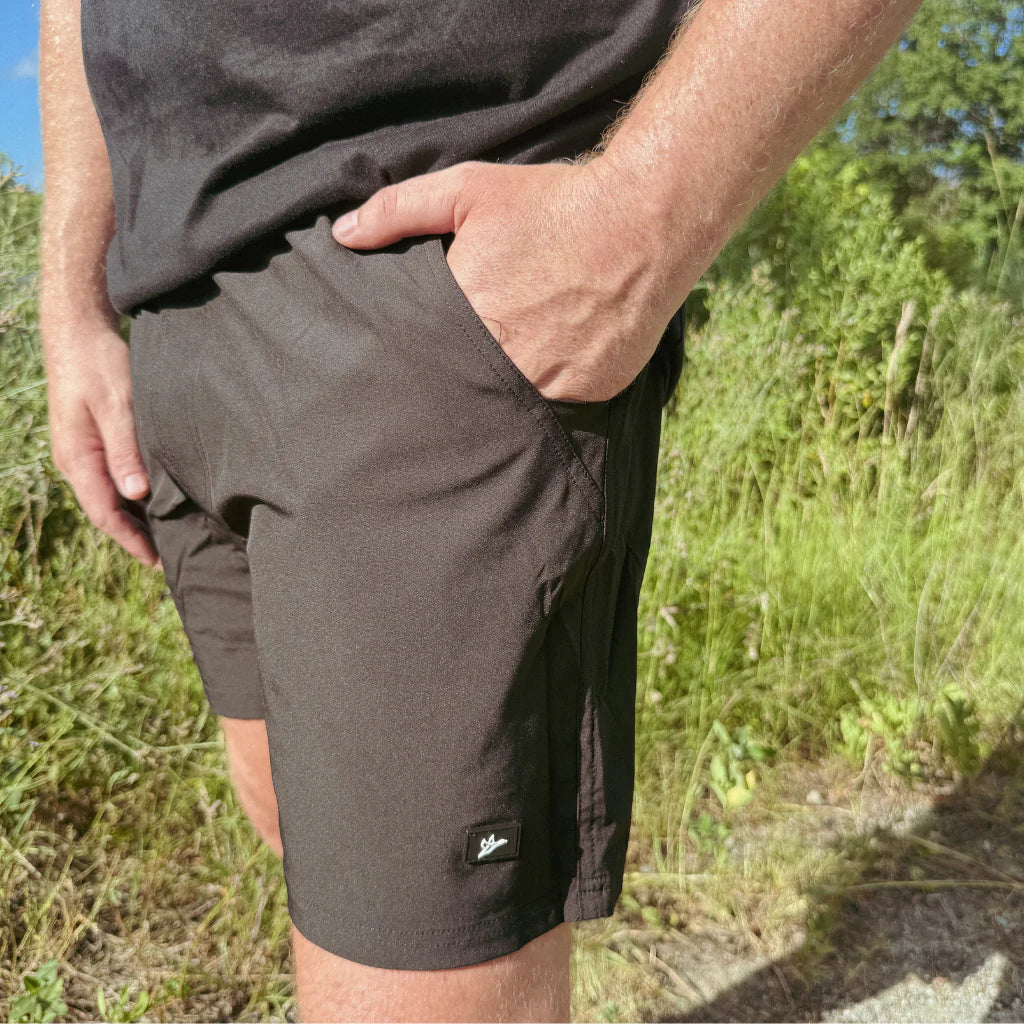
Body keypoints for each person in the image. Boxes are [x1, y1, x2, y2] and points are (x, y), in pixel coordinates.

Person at [38, 0, 922, 1019]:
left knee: (418, 937)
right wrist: (71, 306)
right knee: (297, 819)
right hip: (171, 321)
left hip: (408, 310)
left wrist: (639, 213)